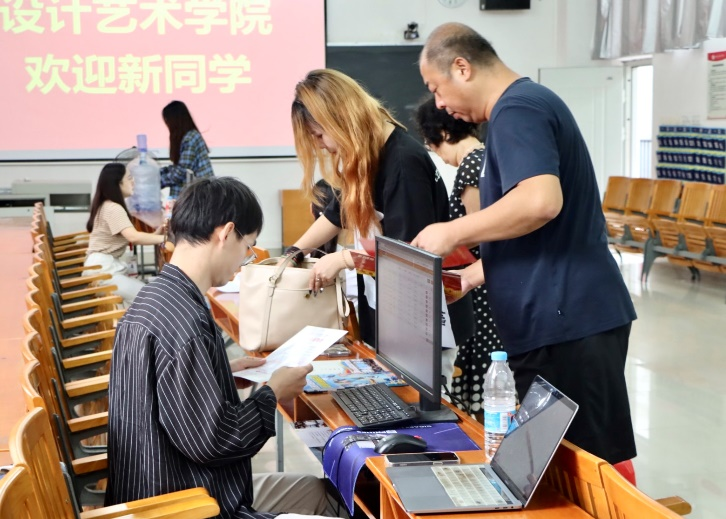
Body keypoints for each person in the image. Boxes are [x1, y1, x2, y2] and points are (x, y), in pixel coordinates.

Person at [413, 23, 637, 465]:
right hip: (560, 319)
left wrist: (454, 232)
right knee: (556, 467)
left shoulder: (517, 109)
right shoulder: (518, 108)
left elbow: (540, 203)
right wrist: (473, 275)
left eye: (436, 88)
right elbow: (532, 227)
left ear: (462, 68)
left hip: (568, 322)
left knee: (583, 469)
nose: (438, 104)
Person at [105, 176, 341, 518]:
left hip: (154, 490)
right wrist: (273, 393)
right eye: (248, 247)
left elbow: (165, 392)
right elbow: (216, 441)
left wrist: (220, 373)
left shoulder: (156, 297)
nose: (245, 259)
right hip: (186, 503)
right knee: (330, 502)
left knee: (317, 492)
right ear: (227, 233)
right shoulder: (185, 323)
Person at [287, 69, 473, 385]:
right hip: (389, 309)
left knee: (418, 403)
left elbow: (410, 257)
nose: (323, 146)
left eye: (319, 135)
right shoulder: (366, 156)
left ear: (340, 119)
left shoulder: (402, 163)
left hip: (425, 320)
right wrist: (292, 254)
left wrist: (344, 259)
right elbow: (336, 214)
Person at [414, 96, 502, 419]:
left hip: (479, 284)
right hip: (484, 278)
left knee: (479, 382)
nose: (437, 154)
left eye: (432, 146)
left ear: (443, 134)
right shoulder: (485, 157)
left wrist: (446, 240)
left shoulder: (471, 166)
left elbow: (481, 231)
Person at [84, 162, 166, 306]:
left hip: (100, 267)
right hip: (102, 271)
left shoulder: (107, 205)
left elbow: (132, 235)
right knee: (149, 298)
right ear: (118, 183)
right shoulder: (113, 208)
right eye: (129, 178)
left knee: (145, 296)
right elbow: (133, 237)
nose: (133, 181)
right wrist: (166, 238)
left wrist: (156, 235)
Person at [159, 100, 214, 198]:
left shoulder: (190, 139)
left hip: (200, 194)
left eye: (167, 121)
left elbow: (180, 172)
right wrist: (158, 172)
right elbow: (178, 168)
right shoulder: (189, 136)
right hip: (197, 192)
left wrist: (155, 181)